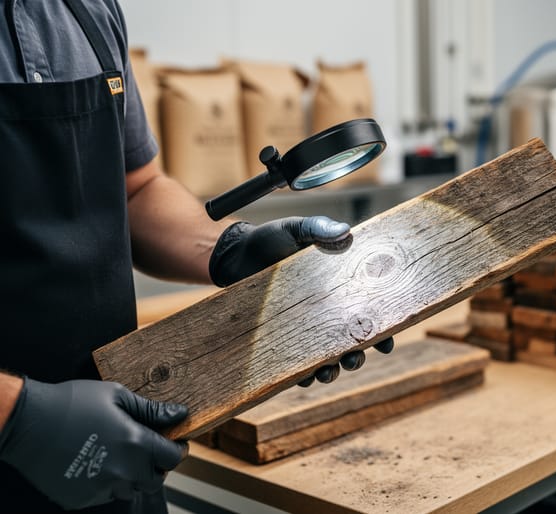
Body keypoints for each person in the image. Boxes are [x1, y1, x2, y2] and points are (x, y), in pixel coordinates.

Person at [0, 1, 391, 512]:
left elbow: (136, 188)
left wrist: (230, 249)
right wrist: (20, 419)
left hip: (119, 449)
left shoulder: (86, 9)